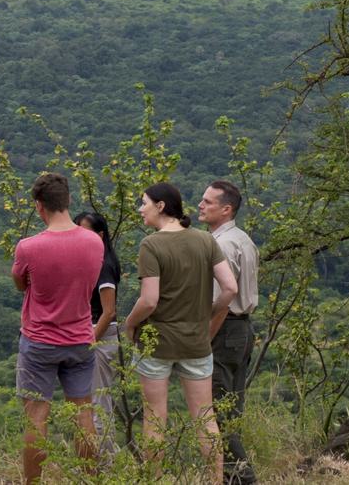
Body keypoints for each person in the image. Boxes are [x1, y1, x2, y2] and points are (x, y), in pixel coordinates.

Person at [123, 181, 238, 485]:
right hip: (196, 341)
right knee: (205, 416)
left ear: (161, 206)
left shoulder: (152, 244)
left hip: (157, 342)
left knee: (155, 418)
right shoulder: (204, 240)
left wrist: (129, 324)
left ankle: (155, 479)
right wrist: (208, 313)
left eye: (144, 202)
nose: (140, 208)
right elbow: (230, 288)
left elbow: (149, 300)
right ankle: (215, 480)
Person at [11, 172, 106, 483]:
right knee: (84, 415)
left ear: (40, 206)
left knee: (36, 419)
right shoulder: (94, 242)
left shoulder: (28, 247)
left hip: (39, 340)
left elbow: (20, 283)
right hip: (81, 338)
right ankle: (89, 479)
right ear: (67, 202)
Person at [198, 179, 261, 484]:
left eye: (208, 202)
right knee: (231, 409)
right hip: (243, 328)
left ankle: (243, 479)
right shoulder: (243, 239)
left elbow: (221, 299)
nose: (200, 205)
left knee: (218, 414)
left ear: (226, 209)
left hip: (224, 327)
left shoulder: (220, 244)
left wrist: (204, 338)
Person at [73, 210, 122, 455]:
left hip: (100, 337)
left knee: (98, 406)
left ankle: (105, 466)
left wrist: (89, 343)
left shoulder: (103, 265)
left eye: (84, 231)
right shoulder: (96, 260)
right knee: (93, 404)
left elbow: (109, 311)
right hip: (95, 336)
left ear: (100, 235)